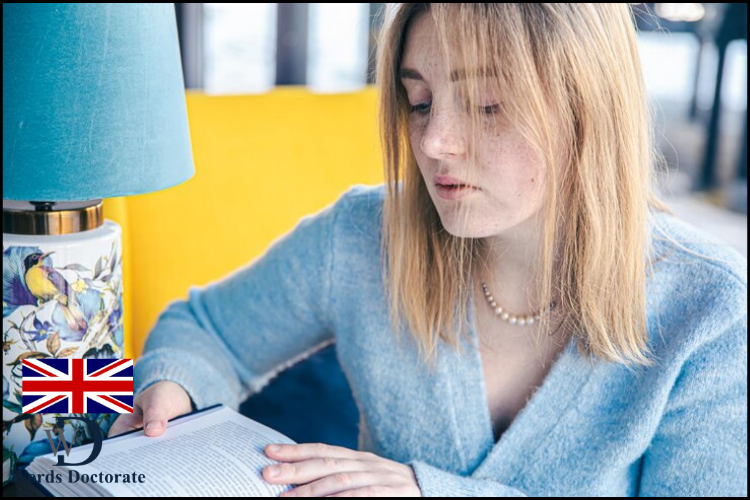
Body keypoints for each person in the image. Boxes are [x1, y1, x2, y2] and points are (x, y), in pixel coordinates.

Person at [110, 4, 747, 497]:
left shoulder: (712, 307)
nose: (435, 141)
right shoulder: (362, 235)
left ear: (588, 107)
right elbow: (206, 330)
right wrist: (174, 389)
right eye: (420, 101)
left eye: (488, 104)